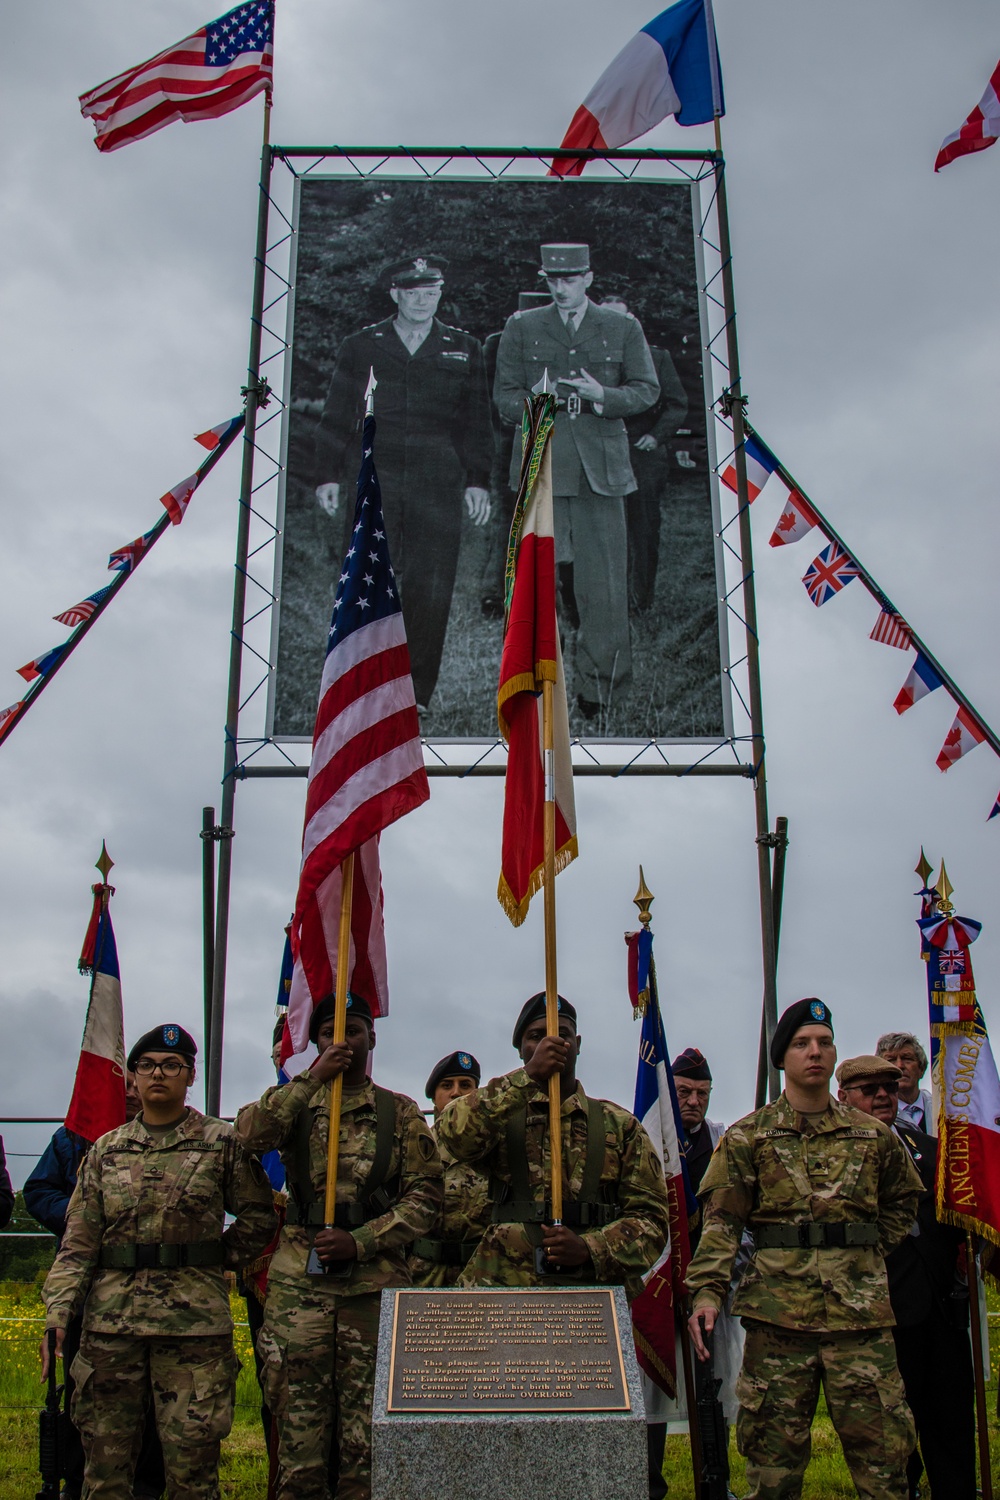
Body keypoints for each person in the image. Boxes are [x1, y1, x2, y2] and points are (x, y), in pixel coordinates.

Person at [686, 997, 923, 1500]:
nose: (815, 1052)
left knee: (885, 1468)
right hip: (778, 1324)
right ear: (783, 1058)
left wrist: (867, 1250)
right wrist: (706, 1293)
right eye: (801, 1044)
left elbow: (904, 1201)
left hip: (861, 1326)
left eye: (824, 1041)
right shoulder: (749, 1136)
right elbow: (723, 1223)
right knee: (773, 1471)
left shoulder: (874, 1136)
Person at [39, 1024, 277, 1500]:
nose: (158, 1074)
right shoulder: (106, 1150)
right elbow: (79, 1243)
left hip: (192, 1330)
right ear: (132, 1078)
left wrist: (212, 1260)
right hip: (112, 1330)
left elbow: (260, 1215)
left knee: (192, 1472)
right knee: (104, 1470)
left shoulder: (221, 1142)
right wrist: (59, 1314)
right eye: (146, 1065)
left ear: (190, 1075)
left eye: (172, 1065)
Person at [234, 991, 443, 1500]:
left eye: (353, 1030)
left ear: (372, 1037)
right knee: (298, 1432)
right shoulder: (296, 1102)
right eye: (330, 1032)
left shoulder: (402, 1112)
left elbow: (427, 1196)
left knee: (369, 1437)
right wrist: (311, 1077)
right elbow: (247, 1137)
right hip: (298, 1285)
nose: (342, 1040)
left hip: (372, 1286)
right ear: (315, 1040)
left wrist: (364, 1240)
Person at [312, 253, 494, 708]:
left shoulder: (464, 346)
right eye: (412, 293)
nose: (421, 301)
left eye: (430, 293)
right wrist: (327, 474)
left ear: (440, 294)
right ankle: (363, 684)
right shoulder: (362, 345)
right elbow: (338, 412)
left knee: (431, 585)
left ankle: (416, 692)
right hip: (375, 470)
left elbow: (476, 420)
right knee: (369, 575)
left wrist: (477, 479)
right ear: (394, 293)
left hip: (437, 473)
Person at [493, 244, 660, 719]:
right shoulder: (521, 327)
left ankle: (601, 688)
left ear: (588, 277)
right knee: (535, 581)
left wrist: (603, 395)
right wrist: (532, 400)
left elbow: (647, 390)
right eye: (552, 280)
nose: (561, 288)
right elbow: (502, 397)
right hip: (541, 465)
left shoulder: (622, 327)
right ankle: (531, 679)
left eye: (570, 279)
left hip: (598, 473)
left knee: (602, 586)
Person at [437, 992, 669, 1294]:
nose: (552, 1044)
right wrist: (528, 1076)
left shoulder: (619, 1125)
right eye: (536, 1037)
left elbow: (651, 1222)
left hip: (592, 1291)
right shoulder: (500, 1115)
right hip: (504, 1287)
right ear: (522, 1050)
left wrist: (590, 1248)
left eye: (562, 1034)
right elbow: (454, 1134)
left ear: (578, 1044)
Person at [837, 1053, 976, 1499]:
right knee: (893, 1438)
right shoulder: (835, 1158)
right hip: (881, 1316)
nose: (883, 1096)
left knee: (951, 1422)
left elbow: (954, 1222)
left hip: (939, 1311)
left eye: (891, 1088)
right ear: (844, 1098)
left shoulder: (927, 1148)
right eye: (870, 1090)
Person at [25, 1070, 165, 1500]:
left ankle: (146, 1487)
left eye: (132, 1084)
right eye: (118, 1085)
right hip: (87, 1289)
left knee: (153, 1405)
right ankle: (76, 1482)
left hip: (153, 1294)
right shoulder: (73, 1138)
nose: (126, 1093)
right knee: (84, 1397)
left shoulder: (166, 1136)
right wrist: (83, 1211)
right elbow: (36, 1191)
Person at [597, 295, 687, 616]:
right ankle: (607, 601)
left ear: (631, 320)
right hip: (602, 452)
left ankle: (639, 602)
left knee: (643, 528)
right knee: (603, 530)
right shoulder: (591, 357)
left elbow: (678, 404)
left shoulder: (656, 358)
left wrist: (656, 435)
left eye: (618, 319)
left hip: (643, 454)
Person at [409, 1050, 492, 1286]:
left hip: (481, 1274)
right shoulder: (415, 1147)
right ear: (434, 1098)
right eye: (447, 1085)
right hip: (423, 1274)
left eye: (465, 1085)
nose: (456, 1092)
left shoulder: (494, 1148)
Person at [875, 1031, 935, 1134]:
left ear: (921, 1069)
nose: (899, 1065)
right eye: (891, 1060)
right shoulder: (876, 1114)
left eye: (907, 1059)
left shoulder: (941, 1109)